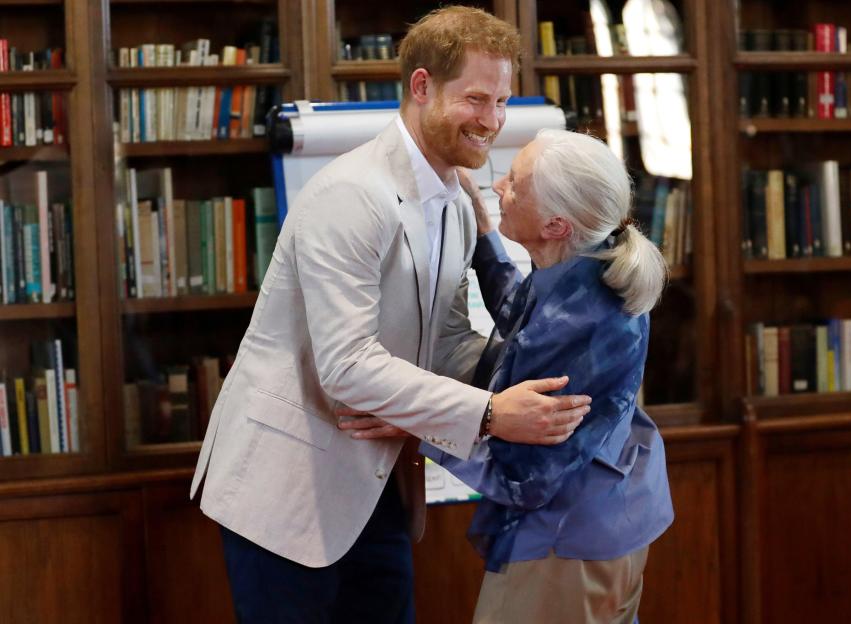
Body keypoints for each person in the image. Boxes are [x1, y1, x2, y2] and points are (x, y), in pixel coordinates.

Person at [188, 7, 591, 623]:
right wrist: (489, 414)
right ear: (422, 86)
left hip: (379, 484)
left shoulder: (458, 205)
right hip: (286, 491)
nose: (492, 121)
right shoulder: (353, 193)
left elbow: (449, 339)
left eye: (503, 101)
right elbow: (347, 366)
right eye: (477, 98)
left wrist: (534, 368)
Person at [427, 129, 674, 623]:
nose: (498, 189)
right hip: (607, 523)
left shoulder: (580, 322)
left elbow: (524, 476)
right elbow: (525, 320)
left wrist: (416, 423)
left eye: (515, 185)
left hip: (564, 545)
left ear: (556, 224)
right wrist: (483, 238)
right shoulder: (588, 269)